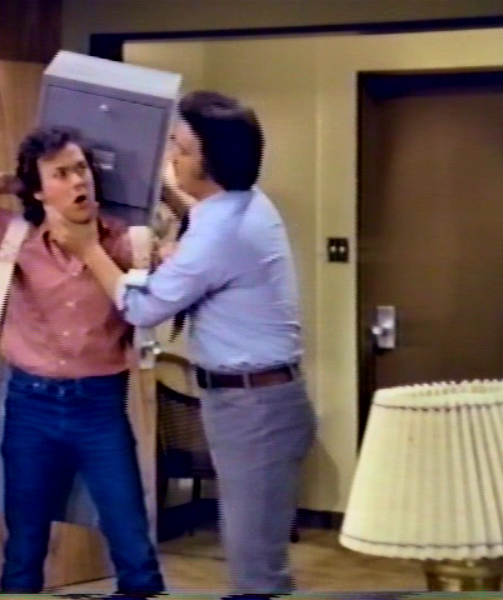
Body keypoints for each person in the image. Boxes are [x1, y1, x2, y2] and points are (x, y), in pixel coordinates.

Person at [47, 90, 318, 596]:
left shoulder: (220, 234)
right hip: (252, 402)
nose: (170, 157)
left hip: (254, 408)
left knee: (256, 568)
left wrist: (87, 249)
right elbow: (201, 225)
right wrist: (173, 203)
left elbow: (143, 308)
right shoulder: (241, 205)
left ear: (210, 162)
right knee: (252, 554)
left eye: (180, 148)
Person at [0, 126, 165, 596]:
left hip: (100, 409)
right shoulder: (18, 239)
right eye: (61, 174)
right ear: (39, 189)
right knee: (24, 548)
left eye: (82, 169)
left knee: (132, 543)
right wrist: (13, 181)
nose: (78, 181)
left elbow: (170, 284)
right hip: (30, 406)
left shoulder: (125, 243)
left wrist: (164, 207)